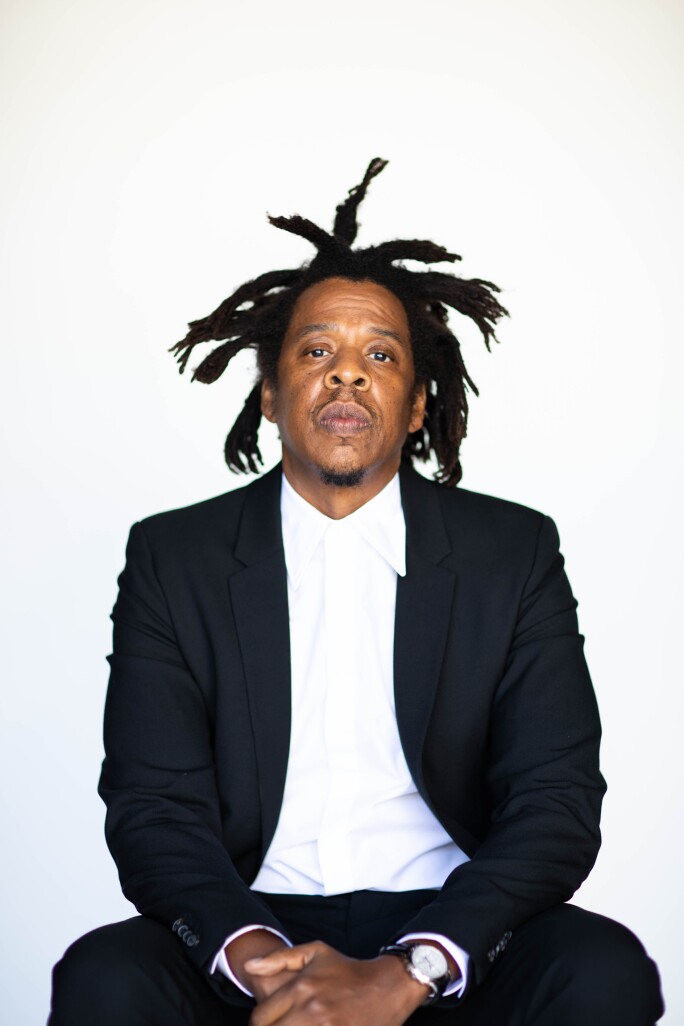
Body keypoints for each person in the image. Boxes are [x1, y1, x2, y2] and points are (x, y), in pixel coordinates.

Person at [49, 158, 664, 1025]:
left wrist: (414, 967)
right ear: (270, 394)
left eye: (380, 354)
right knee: (105, 976)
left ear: (417, 404)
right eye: (316, 352)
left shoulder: (512, 552)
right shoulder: (173, 558)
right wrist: (259, 959)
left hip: (449, 922)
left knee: (602, 971)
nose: (347, 374)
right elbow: (153, 807)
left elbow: (555, 798)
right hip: (255, 922)